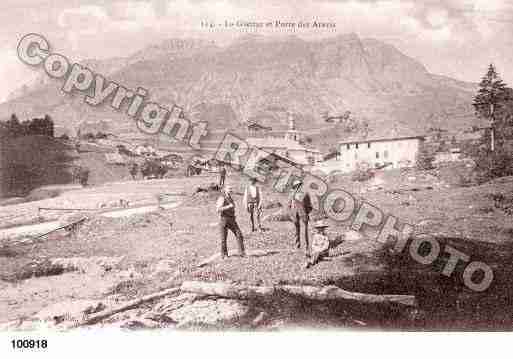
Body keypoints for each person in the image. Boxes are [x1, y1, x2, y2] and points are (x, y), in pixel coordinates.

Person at [216, 184, 246, 259]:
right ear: (225, 189)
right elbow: (218, 209)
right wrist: (228, 207)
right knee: (223, 238)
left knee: (239, 234)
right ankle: (224, 255)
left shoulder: (230, 197)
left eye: (231, 188)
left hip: (232, 219)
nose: (231, 190)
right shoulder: (222, 198)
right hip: (224, 219)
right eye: (229, 188)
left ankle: (241, 253)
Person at [288, 179, 313, 257]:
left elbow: (309, 206)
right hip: (295, 215)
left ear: (300, 186)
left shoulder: (305, 194)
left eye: (298, 185)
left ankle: (306, 248)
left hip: (303, 215)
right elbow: (289, 205)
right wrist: (291, 213)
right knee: (296, 231)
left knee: (304, 232)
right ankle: (297, 246)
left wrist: (306, 213)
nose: (297, 187)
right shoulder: (291, 194)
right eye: (296, 186)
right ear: (294, 187)